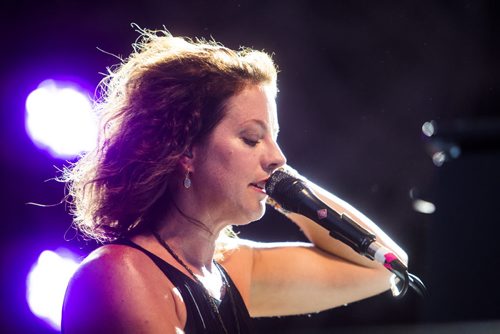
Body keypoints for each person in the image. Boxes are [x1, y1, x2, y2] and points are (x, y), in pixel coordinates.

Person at [61, 26, 408, 334]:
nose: (279, 158)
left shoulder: (231, 268)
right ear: (185, 150)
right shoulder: (118, 274)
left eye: (275, 137)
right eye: (252, 138)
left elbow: (384, 266)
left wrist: (287, 187)